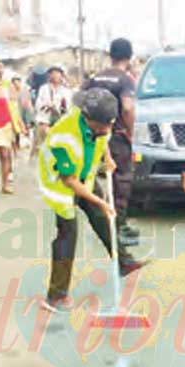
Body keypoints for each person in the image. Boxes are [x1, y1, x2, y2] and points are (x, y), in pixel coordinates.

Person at [37, 88, 145, 312]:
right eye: (104, 125)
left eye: (110, 123)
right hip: (61, 186)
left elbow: (102, 139)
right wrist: (100, 201)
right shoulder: (62, 136)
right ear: (89, 119)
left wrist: (108, 158)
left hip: (84, 176)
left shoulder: (101, 123)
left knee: (103, 219)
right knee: (68, 235)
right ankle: (56, 295)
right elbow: (69, 181)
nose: (108, 128)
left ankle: (123, 262)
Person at [83, 38, 140, 248]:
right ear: (130, 56)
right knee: (121, 179)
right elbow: (127, 107)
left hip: (94, 134)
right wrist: (131, 133)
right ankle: (118, 227)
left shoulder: (95, 78)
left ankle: (109, 223)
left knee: (96, 178)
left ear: (110, 54)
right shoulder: (125, 79)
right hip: (115, 135)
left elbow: (80, 102)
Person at [32, 65, 73, 159]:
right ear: (49, 75)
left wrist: (58, 108)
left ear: (62, 75)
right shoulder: (44, 89)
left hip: (60, 123)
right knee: (42, 148)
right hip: (45, 121)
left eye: (57, 73)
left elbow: (69, 107)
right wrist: (47, 106)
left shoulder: (67, 91)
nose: (55, 75)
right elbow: (38, 105)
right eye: (52, 73)